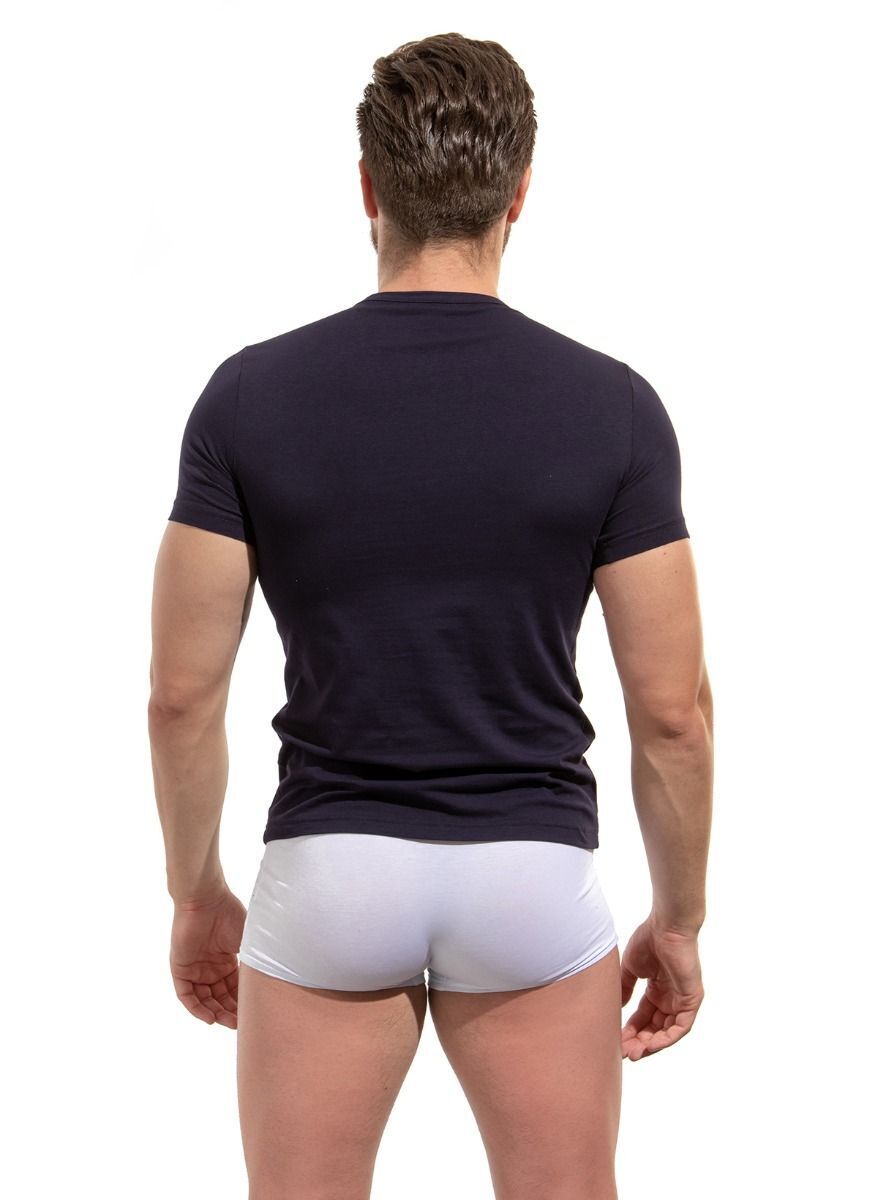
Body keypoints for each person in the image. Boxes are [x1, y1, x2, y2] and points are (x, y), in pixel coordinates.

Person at [148, 31, 713, 1200]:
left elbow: (180, 696)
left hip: (330, 867)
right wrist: (678, 919)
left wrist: (195, 892)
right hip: (528, 871)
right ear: (519, 194)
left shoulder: (248, 397)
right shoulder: (612, 408)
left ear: (368, 188)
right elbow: (673, 713)